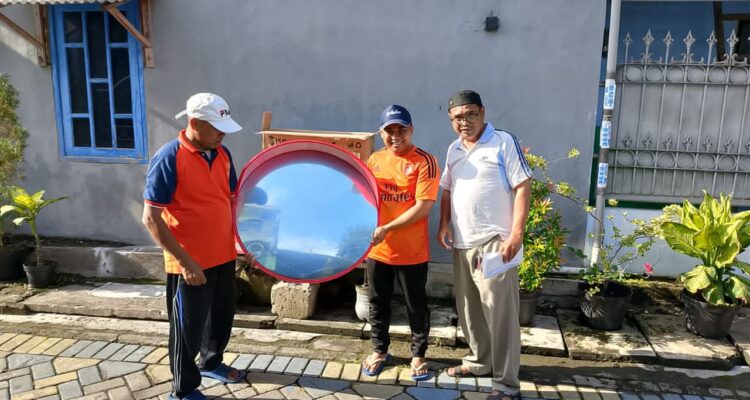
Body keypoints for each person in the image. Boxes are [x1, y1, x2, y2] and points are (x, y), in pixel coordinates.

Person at [142, 93, 253, 400]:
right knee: (186, 331)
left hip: (223, 255)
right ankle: (183, 389)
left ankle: (212, 362)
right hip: (189, 263)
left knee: (221, 317)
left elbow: (231, 201)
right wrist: (186, 263)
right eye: (217, 128)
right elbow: (151, 218)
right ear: (194, 123)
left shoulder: (222, 154)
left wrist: (244, 243)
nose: (223, 135)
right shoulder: (169, 157)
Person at [437, 90, 532, 400]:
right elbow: (447, 189)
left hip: (495, 243)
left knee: (500, 315)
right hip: (462, 242)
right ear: (451, 120)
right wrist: (443, 224)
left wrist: (516, 234)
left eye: (471, 115)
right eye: (457, 117)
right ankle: (479, 362)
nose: (464, 122)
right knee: (469, 311)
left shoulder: (503, 141)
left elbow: (522, 185)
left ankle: (506, 384)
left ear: (482, 112)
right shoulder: (453, 149)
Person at [361, 104, 440, 381]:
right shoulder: (375, 159)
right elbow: (364, 198)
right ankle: (379, 350)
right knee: (377, 302)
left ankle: (418, 355)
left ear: (411, 130)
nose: (396, 136)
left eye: (401, 130)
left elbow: (423, 206)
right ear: (381, 133)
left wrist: (388, 227)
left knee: (415, 305)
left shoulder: (425, 161)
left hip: (411, 251)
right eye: (389, 131)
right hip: (378, 249)